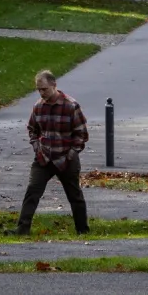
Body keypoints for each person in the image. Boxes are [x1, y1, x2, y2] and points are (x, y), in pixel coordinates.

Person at [16, 70, 89, 235]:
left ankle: (82, 229)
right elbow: (32, 130)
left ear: (54, 86)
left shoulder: (70, 105)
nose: (42, 93)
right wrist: (36, 147)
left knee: (74, 195)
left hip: (66, 158)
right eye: (39, 90)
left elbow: (81, 134)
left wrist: (71, 154)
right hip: (44, 157)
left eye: (44, 89)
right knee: (32, 191)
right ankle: (22, 228)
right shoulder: (38, 106)